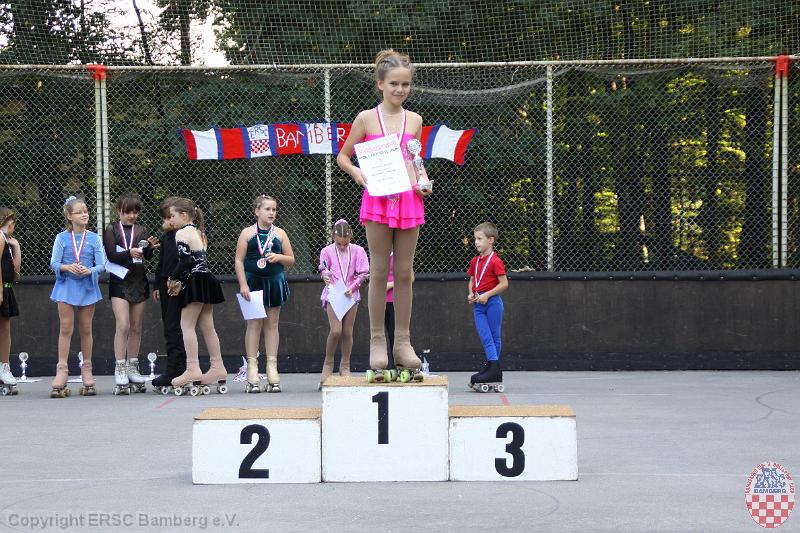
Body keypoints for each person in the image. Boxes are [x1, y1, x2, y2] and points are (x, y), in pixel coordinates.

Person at [336, 48, 433, 383]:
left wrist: (422, 181)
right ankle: (377, 341)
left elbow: (415, 161)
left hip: (408, 200)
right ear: (380, 83)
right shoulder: (366, 118)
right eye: (394, 83)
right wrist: (357, 173)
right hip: (377, 200)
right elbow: (343, 156)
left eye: (405, 84)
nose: (400, 89)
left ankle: (402, 343)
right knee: (379, 272)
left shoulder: (415, 120)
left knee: (404, 273)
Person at [166, 198, 226, 396]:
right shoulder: (199, 232)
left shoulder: (182, 233)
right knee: (208, 326)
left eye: (172, 216)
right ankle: (218, 366)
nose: (170, 220)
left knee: (187, 326)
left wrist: (172, 279)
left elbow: (185, 261)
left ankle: (192, 368)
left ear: (184, 215)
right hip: (206, 279)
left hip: (195, 281)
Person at [234, 195, 294, 393]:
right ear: (257, 211)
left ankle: (272, 367)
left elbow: (291, 259)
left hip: (274, 282)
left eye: (274, 209)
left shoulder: (280, 233)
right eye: (267, 209)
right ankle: (252, 368)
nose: (271, 213)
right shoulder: (247, 233)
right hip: (253, 282)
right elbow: (239, 260)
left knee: (272, 324)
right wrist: (243, 284)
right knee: (254, 324)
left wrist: (279, 256)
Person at [49, 196, 106, 397]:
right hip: (66, 286)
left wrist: (90, 271)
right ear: (69, 216)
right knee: (66, 328)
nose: (84, 215)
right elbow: (54, 263)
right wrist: (67, 267)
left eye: (86, 211)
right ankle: (62, 369)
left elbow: (102, 264)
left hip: (87, 286)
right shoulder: (61, 238)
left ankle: (87, 368)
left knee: (86, 329)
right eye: (79, 212)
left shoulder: (94, 238)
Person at [103, 192, 158, 395]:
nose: (132, 216)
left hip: (139, 281)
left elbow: (147, 256)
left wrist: (149, 248)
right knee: (123, 325)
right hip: (119, 281)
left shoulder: (142, 229)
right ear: (119, 211)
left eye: (135, 212)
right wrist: (129, 253)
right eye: (127, 212)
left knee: (136, 327)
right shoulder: (111, 229)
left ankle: (133, 366)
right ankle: (120, 366)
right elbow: (111, 255)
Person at [317, 219, 369, 390]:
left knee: (347, 332)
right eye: (339, 243)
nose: (342, 246)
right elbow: (324, 269)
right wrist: (326, 277)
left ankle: (345, 365)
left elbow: (363, 273)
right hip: (334, 294)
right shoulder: (326, 251)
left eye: (345, 243)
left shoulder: (358, 250)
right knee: (336, 330)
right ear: (333, 237)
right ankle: (328, 364)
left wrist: (353, 287)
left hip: (350, 295)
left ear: (350, 237)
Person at [151, 197, 187, 393]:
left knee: (177, 326)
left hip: (179, 286)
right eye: (165, 218)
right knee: (169, 326)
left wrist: (177, 280)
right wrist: (158, 285)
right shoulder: (166, 238)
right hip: (166, 286)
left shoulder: (183, 236)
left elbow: (185, 261)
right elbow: (161, 264)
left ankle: (180, 368)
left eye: (168, 217)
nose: (166, 221)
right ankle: (174, 367)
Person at [467, 222, 509, 392]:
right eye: (475, 239)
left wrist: (488, 294)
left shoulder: (496, 261)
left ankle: (492, 369)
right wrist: (471, 293)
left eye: (479, 239)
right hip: (478, 304)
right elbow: (472, 280)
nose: (476, 242)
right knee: (485, 336)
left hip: (492, 303)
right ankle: (493, 368)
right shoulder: (475, 261)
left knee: (494, 337)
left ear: (490, 240)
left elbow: (504, 284)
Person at [0, 207, 21, 395]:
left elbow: (15, 271)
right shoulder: (0, 237)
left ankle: (4, 367)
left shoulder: (8, 241)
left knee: (5, 329)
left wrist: (17, 247)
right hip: (1, 289)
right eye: (13, 222)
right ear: (8, 221)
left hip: (7, 288)